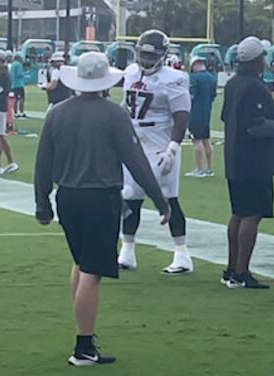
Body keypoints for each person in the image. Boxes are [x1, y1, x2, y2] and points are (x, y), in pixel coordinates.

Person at [34, 51, 171, 367]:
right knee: (93, 271)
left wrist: (42, 203)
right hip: (101, 198)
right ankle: (83, 346)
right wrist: (160, 200)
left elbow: (43, 163)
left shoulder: (57, 113)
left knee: (81, 264)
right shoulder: (113, 114)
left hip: (67, 197)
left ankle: (84, 334)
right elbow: (135, 161)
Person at [221, 36, 274, 289]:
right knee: (251, 215)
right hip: (253, 160)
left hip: (235, 157)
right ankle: (242, 271)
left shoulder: (233, 84)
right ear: (258, 59)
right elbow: (256, 127)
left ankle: (232, 268)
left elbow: (226, 118)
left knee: (238, 213)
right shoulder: (253, 87)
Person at [116, 30, 193, 275]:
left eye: (152, 56)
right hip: (134, 139)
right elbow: (126, 105)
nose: (147, 60)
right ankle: (127, 252)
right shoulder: (129, 72)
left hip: (160, 141)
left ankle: (182, 255)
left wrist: (173, 147)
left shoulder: (174, 78)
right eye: (143, 54)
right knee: (130, 197)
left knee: (168, 197)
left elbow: (181, 116)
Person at [185, 55, 218, 178]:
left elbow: (190, 96)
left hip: (195, 114)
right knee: (206, 141)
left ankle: (200, 169)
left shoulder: (194, 78)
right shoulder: (211, 78)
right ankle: (209, 168)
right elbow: (213, 96)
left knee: (197, 141)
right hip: (206, 113)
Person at [10, 53, 27, 118]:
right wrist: (25, 73)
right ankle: (21, 112)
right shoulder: (19, 64)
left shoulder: (13, 64)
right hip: (19, 84)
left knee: (15, 99)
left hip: (13, 84)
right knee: (22, 99)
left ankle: (15, 112)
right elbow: (19, 74)